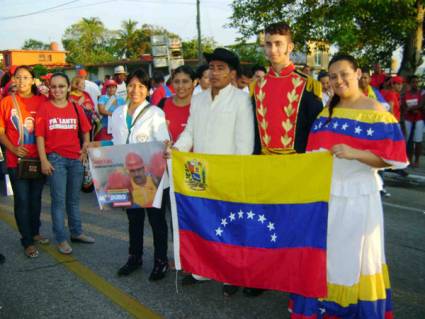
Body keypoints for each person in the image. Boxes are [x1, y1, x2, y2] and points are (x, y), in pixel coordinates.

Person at [290, 54, 408, 319]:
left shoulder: (377, 111)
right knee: (329, 257)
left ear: (358, 73)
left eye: (344, 74)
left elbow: (395, 160)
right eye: (333, 76)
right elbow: (312, 156)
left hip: (360, 197)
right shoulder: (326, 112)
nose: (339, 80)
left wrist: (356, 153)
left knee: (357, 258)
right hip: (327, 196)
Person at [171, 47, 254, 297]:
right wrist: (176, 151)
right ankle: (204, 270)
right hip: (201, 174)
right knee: (206, 223)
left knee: (230, 225)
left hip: (229, 174)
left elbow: (245, 144)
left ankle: (231, 274)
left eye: (221, 68)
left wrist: (237, 175)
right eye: (212, 67)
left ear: (231, 74)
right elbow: (190, 133)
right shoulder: (198, 99)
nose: (215, 72)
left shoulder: (241, 99)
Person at [248, 22, 323, 297]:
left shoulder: (307, 85)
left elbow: (316, 130)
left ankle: (296, 280)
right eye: (268, 43)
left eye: (279, 43)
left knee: (295, 227)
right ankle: (264, 278)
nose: (273, 49)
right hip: (265, 166)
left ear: (290, 47)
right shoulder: (257, 87)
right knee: (264, 224)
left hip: (296, 168)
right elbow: (254, 131)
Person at [90, 69, 170, 281]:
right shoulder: (117, 112)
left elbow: (163, 146)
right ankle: (135, 257)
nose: (136, 90)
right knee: (134, 219)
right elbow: (117, 144)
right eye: (133, 85)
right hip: (128, 176)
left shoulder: (155, 113)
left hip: (153, 177)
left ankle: (161, 261)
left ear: (148, 90)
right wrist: (98, 145)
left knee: (156, 221)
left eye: (141, 86)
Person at [35, 72, 95, 255]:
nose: (57, 90)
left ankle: (76, 232)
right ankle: (61, 238)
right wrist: (44, 160)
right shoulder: (44, 108)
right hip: (55, 160)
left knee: (74, 200)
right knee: (59, 201)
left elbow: (86, 130)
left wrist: (85, 146)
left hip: (76, 159)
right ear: (49, 88)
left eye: (61, 86)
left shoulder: (76, 107)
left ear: (68, 87)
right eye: (53, 86)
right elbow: (39, 137)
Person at [0, 65, 48, 259]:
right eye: (18, 78)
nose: (21, 81)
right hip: (16, 160)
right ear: (13, 80)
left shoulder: (42, 101)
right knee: (22, 200)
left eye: (26, 77)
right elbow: (1, 132)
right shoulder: (5, 102)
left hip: (39, 159)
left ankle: (35, 232)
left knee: (36, 200)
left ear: (33, 80)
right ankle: (26, 240)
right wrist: (12, 148)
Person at [160, 65, 195, 143]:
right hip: (167, 154)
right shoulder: (162, 104)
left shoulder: (201, 106)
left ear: (194, 82)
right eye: (176, 82)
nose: (180, 86)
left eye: (185, 81)